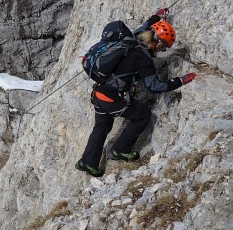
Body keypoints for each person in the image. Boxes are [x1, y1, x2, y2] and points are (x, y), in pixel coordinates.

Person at [75, 9, 196, 177]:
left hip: (99, 93)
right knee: (142, 115)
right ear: (159, 44)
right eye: (163, 47)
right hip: (112, 98)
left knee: (102, 126)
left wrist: (156, 17)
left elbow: (145, 26)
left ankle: (87, 162)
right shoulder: (143, 58)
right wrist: (180, 81)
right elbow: (154, 86)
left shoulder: (134, 38)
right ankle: (120, 150)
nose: (162, 51)